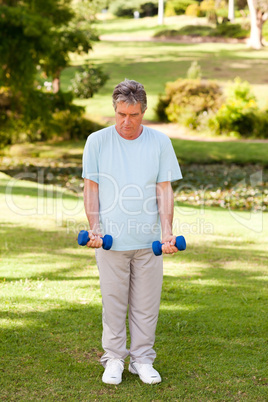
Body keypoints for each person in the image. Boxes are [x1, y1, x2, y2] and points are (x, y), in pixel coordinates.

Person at [82, 79, 182, 385]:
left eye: (134, 115)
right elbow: (91, 188)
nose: (127, 122)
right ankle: (113, 358)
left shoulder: (160, 142)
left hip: (148, 242)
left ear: (144, 112)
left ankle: (142, 360)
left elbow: (164, 190)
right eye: (122, 114)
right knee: (113, 303)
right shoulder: (97, 141)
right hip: (111, 242)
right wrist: (95, 228)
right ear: (114, 109)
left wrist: (167, 232)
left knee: (146, 305)